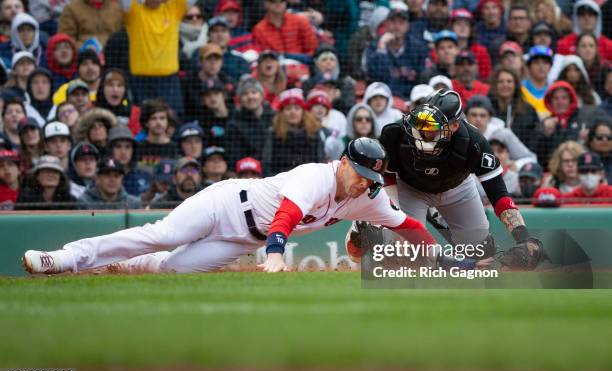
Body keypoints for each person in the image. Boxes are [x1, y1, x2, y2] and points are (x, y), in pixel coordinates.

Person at [23, 137, 473, 275]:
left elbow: (408, 225)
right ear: (343, 163)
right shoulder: (316, 176)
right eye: (361, 175)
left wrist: (443, 255)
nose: (365, 185)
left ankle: (120, 266)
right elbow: (287, 218)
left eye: (374, 180)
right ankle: (65, 258)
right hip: (224, 204)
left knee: (171, 272)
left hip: (242, 238)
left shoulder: (365, 196)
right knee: (164, 234)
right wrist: (276, 255)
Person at [349, 89, 546, 269]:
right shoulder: (396, 133)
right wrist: (394, 211)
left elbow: (499, 195)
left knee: (481, 252)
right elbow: (386, 173)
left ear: (454, 125)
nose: (423, 132)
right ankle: (366, 229)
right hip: (410, 188)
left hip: (457, 188)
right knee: (408, 256)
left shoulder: (474, 143)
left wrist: (523, 238)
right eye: (423, 124)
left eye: (433, 127)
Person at [121, 0, 189, 116]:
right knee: (142, 120)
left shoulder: (174, 9)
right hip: (141, 81)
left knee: (173, 119)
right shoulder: (134, 10)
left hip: (169, 81)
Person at [536, 81, 610, 167]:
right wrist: (544, 135)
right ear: (550, 101)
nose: (560, 102)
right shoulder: (545, 124)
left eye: (564, 98)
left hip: (586, 167)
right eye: (556, 98)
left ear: (571, 99)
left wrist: (589, 140)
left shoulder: (588, 115)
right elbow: (537, 154)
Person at [365, 9, 428, 100]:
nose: (397, 26)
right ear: (386, 24)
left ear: (407, 26)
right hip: (382, 100)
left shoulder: (417, 48)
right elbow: (375, 75)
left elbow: (422, 79)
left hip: (412, 101)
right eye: (393, 22)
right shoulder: (374, 47)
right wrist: (382, 48)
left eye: (401, 22)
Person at [465, 95, 537, 167]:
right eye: (473, 115)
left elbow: (531, 158)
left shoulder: (503, 134)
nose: (478, 119)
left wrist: (516, 165)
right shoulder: (459, 133)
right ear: (466, 116)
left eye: (483, 115)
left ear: (490, 117)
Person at [267, 88, 324, 175]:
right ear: (282, 113)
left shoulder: (314, 132)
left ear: (303, 112)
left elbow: (320, 163)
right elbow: (267, 164)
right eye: (288, 109)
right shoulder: (273, 133)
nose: (293, 112)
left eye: (297, 108)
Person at [225, 76, 274, 170]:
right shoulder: (234, 124)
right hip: (249, 174)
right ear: (240, 99)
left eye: (254, 92)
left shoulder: (275, 118)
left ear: (262, 95)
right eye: (245, 94)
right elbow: (234, 157)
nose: (250, 97)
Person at [488, 67, 540, 148]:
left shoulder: (528, 110)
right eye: (500, 81)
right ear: (495, 85)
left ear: (515, 85)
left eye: (509, 81)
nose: (505, 85)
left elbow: (535, 139)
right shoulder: (487, 108)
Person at [252, 0, 318, 57]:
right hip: (275, 67)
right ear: (265, 3)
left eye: (282, 0)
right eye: (273, 0)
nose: (278, 3)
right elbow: (262, 56)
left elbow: (312, 50)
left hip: (302, 65)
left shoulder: (301, 22)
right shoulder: (259, 29)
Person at [302, 45, 356, 115]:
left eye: (332, 59)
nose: (328, 63)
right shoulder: (308, 84)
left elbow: (350, 110)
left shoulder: (346, 84)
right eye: (324, 60)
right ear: (316, 64)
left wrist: (337, 100)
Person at [76, 156, 141, 209]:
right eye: (107, 175)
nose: (112, 180)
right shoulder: (84, 203)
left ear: (122, 179)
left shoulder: (133, 204)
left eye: (116, 176)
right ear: (97, 179)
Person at [134, 99, 178, 173]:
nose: (158, 122)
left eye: (162, 118)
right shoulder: (137, 148)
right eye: (153, 118)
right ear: (146, 122)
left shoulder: (176, 148)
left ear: (167, 121)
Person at [57, 0, 122, 48]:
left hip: (112, 58)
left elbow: (121, 36)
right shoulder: (71, 8)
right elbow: (66, 39)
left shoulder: (116, 9)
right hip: (83, 58)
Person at [448, 8, 492, 81]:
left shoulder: (481, 51)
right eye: (458, 24)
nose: (463, 27)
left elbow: (486, 77)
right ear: (451, 28)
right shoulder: (444, 49)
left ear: (471, 29)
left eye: (466, 24)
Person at [107, 126, 151, 197]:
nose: (123, 152)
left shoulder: (145, 175)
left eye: (127, 147)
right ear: (110, 150)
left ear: (133, 150)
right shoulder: (101, 177)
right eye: (118, 147)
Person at [95, 68, 141, 134]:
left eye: (119, 85)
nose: (115, 89)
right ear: (102, 89)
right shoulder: (92, 112)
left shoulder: (137, 113)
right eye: (110, 85)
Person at [206, 15, 249, 82]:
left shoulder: (240, 61)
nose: (219, 34)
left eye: (223, 31)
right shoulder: (198, 55)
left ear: (230, 35)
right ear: (208, 35)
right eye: (215, 31)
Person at [521, 45, 553, 119]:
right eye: (536, 62)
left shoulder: (555, 90)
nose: (541, 66)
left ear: (550, 67)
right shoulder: (519, 89)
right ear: (529, 67)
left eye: (545, 62)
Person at [576, 32, 609, 97]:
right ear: (577, 49)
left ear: (596, 49)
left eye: (591, 46)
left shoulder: (606, 69)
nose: (588, 49)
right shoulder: (573, 68)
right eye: (583, 46)